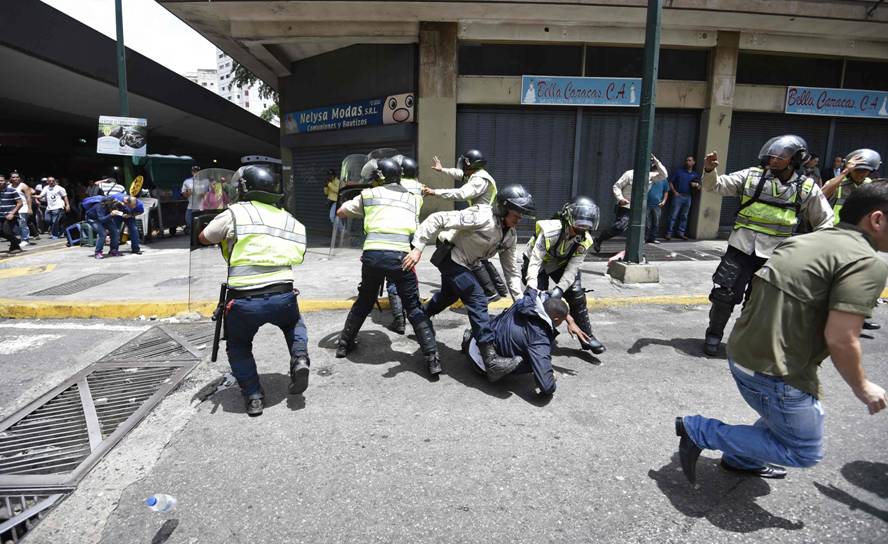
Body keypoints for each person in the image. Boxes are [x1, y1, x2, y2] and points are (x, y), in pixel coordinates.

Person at [675, 182, 888, 485]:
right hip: (776, 374)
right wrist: (863, 387)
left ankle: (740, 457)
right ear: (877, 219)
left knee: (781, 421)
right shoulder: (865, 262)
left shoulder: (804, 241)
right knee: (804, 451)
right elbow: (842, 337)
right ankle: (700, 431)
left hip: (741, 355)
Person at [700, 135, 834, 356]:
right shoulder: (751, 176)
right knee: (724, 295)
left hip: (776, 255)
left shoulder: (806, 187)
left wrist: (816, 251)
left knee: (760, 303)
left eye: (781, 156)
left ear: (796, 158)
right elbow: (715, 186)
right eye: (772, 155)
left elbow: (825, 221)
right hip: (741, 248)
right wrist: (708, 170)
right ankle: (713, 335)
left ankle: (743, 341)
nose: (774, 159)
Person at [198, 165, 309, 417]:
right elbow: (300, 252)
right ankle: (300, 358)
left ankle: (253, 396)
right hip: (284, 295)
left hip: (244, 299)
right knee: (294, 325)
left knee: (238, 344)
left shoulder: (235, 213)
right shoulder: (288, 218)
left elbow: (205, 237)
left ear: (243, 188)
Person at [401, 184, 534, 379]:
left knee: (448, 296)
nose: (520, 219)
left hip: (467, 263)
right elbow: (437, 218)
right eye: (517, 213)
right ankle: (490, 360)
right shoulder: (481, 216)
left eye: (522, 214)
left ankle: (420, 315)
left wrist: (520, 301)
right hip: (451, 256)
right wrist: (418, 247)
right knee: (477, 299)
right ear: (504, 209)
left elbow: (511, 271)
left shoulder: (510, 236)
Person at [334, 158, 441, 377]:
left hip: (372, 257)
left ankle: (344, 344)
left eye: (373, 177)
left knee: (364, 300)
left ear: (379, 177)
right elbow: (415, 229)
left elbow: (341, 212)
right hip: (401, 258)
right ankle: (432, 358)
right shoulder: (413, 200)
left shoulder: (368, 196)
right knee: (413, 306)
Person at [522, 196, 606, 354]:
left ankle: (586, 336)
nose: (583, 226)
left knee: (576, 294)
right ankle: (539, 338)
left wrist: (560, 290)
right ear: (569, 216)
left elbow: (572, 269)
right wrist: (532, 286)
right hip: (536, 261)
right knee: (540, 299)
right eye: (579, 220)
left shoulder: (585, 240)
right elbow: (535, 260)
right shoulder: (551, 231)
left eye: (587, 222)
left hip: (558, 262)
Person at [424, 149, 509, 300]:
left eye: (464, 164)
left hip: (481, 221)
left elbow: (461, 194)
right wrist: (442, 170)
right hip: (482, 219)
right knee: (482, 258)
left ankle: (490, 292)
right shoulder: (478, 175)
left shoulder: (479, 180)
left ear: (469, 165)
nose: (462, 167)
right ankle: (499, 291)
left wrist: (434, 192)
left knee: (448, 242)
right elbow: (459, 174)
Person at [461, 292, 580, 395]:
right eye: (563, 320)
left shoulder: (528, 300)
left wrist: (570, 320)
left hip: (477, 339)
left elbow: (550, 296)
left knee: (499, 319)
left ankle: (468, 340)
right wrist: (550, 377)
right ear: (556, 320)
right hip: (482, 364)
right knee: (535, 361)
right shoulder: (539, 339)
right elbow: (546, 387)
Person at [821, 148, 883, 331]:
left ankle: (858, 318)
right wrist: (845, 172)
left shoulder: (871, 186)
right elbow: (822, 193)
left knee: (859, 280)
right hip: (838, 237)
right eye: (858, 170)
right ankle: (826, 317)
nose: (861, 173)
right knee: (833, 279)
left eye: (865, 170)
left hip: (864, 239)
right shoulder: (838, 184)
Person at [593, 155, 667, 252]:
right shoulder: (629, 174)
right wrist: (620, 199)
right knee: (620, 227)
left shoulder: (651, 176)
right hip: (626, 206)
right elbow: (617, 186)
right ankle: (599, 239)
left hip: (640, 208)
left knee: (642, 229)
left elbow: (664, 175)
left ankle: (635, 252)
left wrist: (656, 161)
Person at [385, 156, 424, 335]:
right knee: (409, 274)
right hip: (414, 234)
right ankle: (416, 314)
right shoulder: (419, 187)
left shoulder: (395, 187)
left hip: (397, 233)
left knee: (392, 276)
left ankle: (399, 319)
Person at [665, 155, 700, 240]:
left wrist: (697, 185)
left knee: (684, 216)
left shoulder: (695, 175)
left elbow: (700, 187)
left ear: (693, 162)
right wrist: (675, 192)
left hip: (688, 197)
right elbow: (670, 182)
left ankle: (681, 233)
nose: (688, 162)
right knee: (673, 215)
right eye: (687, 160)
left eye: (690, 160)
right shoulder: (679, 172)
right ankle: (668, 233)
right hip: (678, 196)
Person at [0, 175, 23, 253]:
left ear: (5, 181)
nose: (0, 182)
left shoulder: (11, 190)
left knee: (6, 231)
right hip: (1, 216)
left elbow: (20, 203)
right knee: (2, 232)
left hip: (10, 215)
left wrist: (12, 213)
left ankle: (16, 246)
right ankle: (15, 241)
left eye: (1, 180)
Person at [10, 173, 32, 246]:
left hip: (23, 207)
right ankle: (18, 238)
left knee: (22, 224)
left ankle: (25, 239)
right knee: (14, 225)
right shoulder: (9, 186)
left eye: (17, 177)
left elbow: (29, 197)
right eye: (14, 177)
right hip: (13, 208)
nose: (16, 178)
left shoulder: (23, 186)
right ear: (11, 178)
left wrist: (29, 208)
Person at [646, 174, 670, 243]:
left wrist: (664, 201)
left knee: (656, 223)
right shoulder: (648, 177)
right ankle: (644, 238)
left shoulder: (664, 179)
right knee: (647, 223)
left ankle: (653, 238)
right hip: (646, 204)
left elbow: (666, 191)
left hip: (657, 205)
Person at [182, 165, 200, 234]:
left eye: (197, 171)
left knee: (201, 223)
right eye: (194, 171)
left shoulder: (205, 180)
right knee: (189, 222)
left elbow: (209, 193)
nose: (196, 173)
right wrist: (188, 193)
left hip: (202, 207)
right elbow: (183, 193)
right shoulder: (187, 181)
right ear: (192, 172)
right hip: (191, 206)